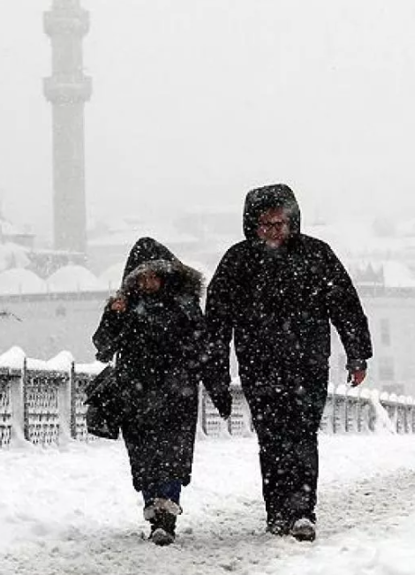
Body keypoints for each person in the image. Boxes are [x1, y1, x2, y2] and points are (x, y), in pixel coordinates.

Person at [204, 184, 372, 541]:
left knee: (301, 435)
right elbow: (216, 321)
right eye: (266, 224)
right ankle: (277, 510)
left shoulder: (316, 255)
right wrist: (216, 371)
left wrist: (357, 354)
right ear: (253, 225)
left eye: (280, 223)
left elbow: (345, 305)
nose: (274, 231)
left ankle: (301, 510)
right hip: (259, 366)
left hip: (307, 365)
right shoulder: (238, 262)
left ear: (292, 222)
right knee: (272, 438)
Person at [93, 237, 232, 546]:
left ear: (168, 274)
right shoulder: (125, 307)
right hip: (136, 396)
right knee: (144, 459)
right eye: (142, 277)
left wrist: (218, 389)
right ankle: (154, 510)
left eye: (154, 275)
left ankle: (165, 517)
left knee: (171, 456)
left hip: (176, 396)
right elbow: (103, 348)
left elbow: (204, 351)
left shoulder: (185, 307)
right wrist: (113, 315)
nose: (149, 282)